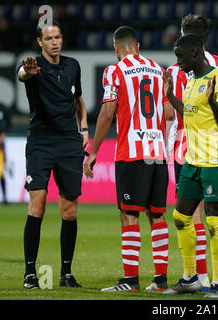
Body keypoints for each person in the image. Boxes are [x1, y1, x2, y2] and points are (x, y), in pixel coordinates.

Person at [83, 26, 174, 292]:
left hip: (132, 153)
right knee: (157, 215)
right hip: (157, 153)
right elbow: (169, 114)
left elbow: (107, 113)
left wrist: (94, 152)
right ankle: (160, 280)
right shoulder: (159, 70)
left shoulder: (115, 71)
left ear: (116, 48)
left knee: (128, 214)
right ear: (137, 45)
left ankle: (131, 280)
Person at [166, 13, 218, 291]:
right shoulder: (191, 79)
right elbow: (190, 113)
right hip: (192, 159)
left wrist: (213, 102)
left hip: (215, 159)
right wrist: (172, 95)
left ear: (195, 52)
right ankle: (190, 279)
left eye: (180, 56)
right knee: (181, 216)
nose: (177, 61)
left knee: (213, 220)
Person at [17, 21, 89, 289]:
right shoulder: (32, 65)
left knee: (69, 211)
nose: (55, 42)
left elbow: (78, 100)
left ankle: (66, 274)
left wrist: (84, 128)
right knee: (37, 205)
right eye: (49, 38)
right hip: (41, 142)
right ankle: (30, 273)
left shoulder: (73, 65)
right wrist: (27, 71)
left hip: (69, 143)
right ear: (40, 42)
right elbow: (22, 74)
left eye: (58, 37)